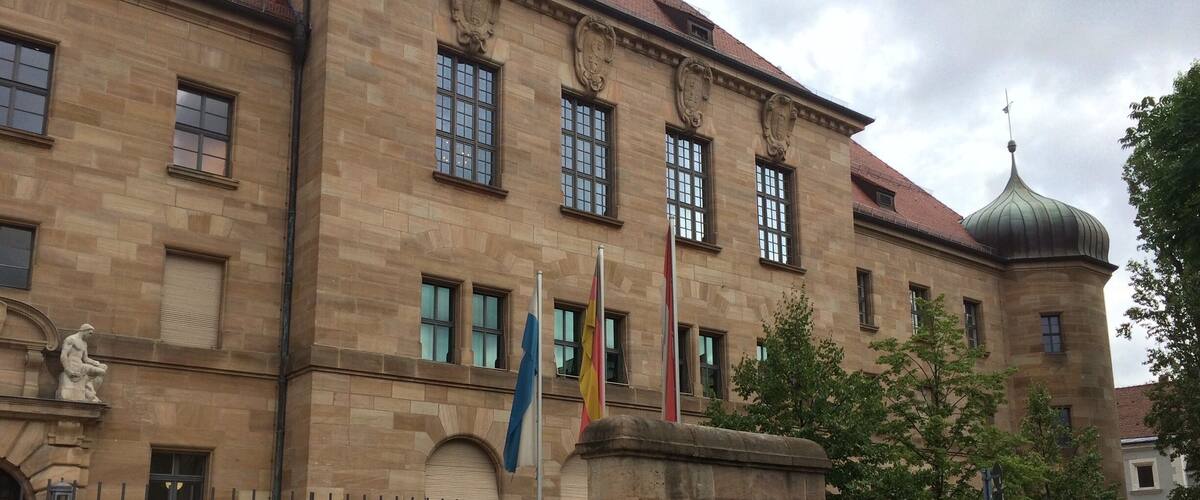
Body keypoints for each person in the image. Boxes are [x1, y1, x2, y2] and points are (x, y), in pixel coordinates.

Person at [57, 324, 107, 403]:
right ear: (84, 331)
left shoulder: (84, 343)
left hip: (80, 365)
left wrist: (95, 363)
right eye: (90, 333)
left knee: (102, 369)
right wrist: (67, 370)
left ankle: (91, 393)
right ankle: (90, 394)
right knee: (101, 372)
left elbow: (85, 358)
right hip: (72, 365)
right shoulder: (71, 339)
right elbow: (63, 355)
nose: (90, 336)